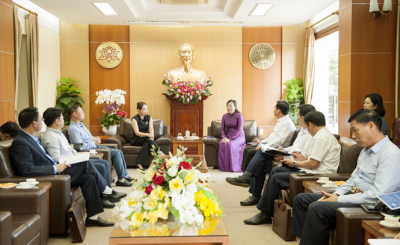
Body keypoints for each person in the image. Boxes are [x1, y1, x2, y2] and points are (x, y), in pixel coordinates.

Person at [291, 109, 400, 245]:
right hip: (355, 195)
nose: (353, 136)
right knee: (302, 199)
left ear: (371, 125)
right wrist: (336, 194)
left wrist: (339, 198)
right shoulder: (365, 150)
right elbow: (353, 179)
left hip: (370, 204)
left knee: (317, 208)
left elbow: (378, 194)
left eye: (355, 130)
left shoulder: (391, 154)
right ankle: (306, 239)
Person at [10, 107, 115, 227]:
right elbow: (26, 170)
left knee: (89, 177)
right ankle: (106, 189)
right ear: (34, 123)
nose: (42, 121)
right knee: (84, 162)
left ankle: (93, 217)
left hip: (54, 169)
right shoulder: (20, 142)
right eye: (40, 119)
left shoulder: (32, 138)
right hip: (49, 175)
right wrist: (54, 168)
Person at [243, 110, 341, 225]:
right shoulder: (323, 135)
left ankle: (264, 214)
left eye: (307, 127)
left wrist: (294, 163)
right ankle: (266, 209)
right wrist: (300, 157)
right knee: (276, 170)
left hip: (319, 174)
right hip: (313, 169)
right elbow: (314, 159)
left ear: (311, 124)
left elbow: (313, 164)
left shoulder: (321, 138)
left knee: (277, 178)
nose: (307, 130)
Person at [41, 107, 127, 208]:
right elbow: (56, 159)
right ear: (57, 121)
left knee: (103, 164)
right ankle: (106, 191)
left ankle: (104, 194)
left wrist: (78, 155)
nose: (64, 120)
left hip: (74, 159)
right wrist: (76, 158)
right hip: (68, 165)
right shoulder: (51, 136)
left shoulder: (58, 133)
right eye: (62, 118)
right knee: (93, 164)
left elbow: (70, 149)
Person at [226, 100, 296, 186]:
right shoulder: (280, 120)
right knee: (247, 150)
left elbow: (281, 140)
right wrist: (262, 142)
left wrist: (265, 145)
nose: (273, 110)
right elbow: (274, 136)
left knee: (257, 151)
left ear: (279, 110)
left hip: (280, 148)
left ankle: (246, 177)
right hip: (274, 146)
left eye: (274, 108)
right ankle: (245, 176)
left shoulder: (287, 123)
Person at [66, 105, 134, 187]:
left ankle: (124, 175)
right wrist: (93, 142)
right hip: (89, 150)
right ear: (74, 114)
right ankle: (121, 179)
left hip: (94, 146)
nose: (84, 113)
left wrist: (96, 139)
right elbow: (80, 146)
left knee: (118, 151)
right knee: (116, 153)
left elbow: (89, 138)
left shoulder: (81, 125)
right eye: (82, 111)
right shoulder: (73, 129)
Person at [130, 102, 161, 170]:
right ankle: (159, 152)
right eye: (144, 109)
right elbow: (137, 133)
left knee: (146, 143)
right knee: (147, 138)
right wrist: (148, 135)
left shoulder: (149, 117)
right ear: (138, 110)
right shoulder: (134, 119)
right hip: (136, 139)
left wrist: (152, 135)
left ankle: (139, 163)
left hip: (146, 139)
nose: (145, 111)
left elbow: (151, 128)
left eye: (146, 109)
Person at [218, 99, 246, 172]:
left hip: (239, 136)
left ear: (235, 107)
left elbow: (239, 130)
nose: (228, 107)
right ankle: (224, 168)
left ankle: (233, 168)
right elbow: (222, 129)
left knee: (230, 144)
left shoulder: (239, 115)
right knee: (221, 143)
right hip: (228, 135)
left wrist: (230, 139)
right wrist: (224, 137)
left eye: (230, 106)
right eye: (227, 106)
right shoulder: (224, 116)